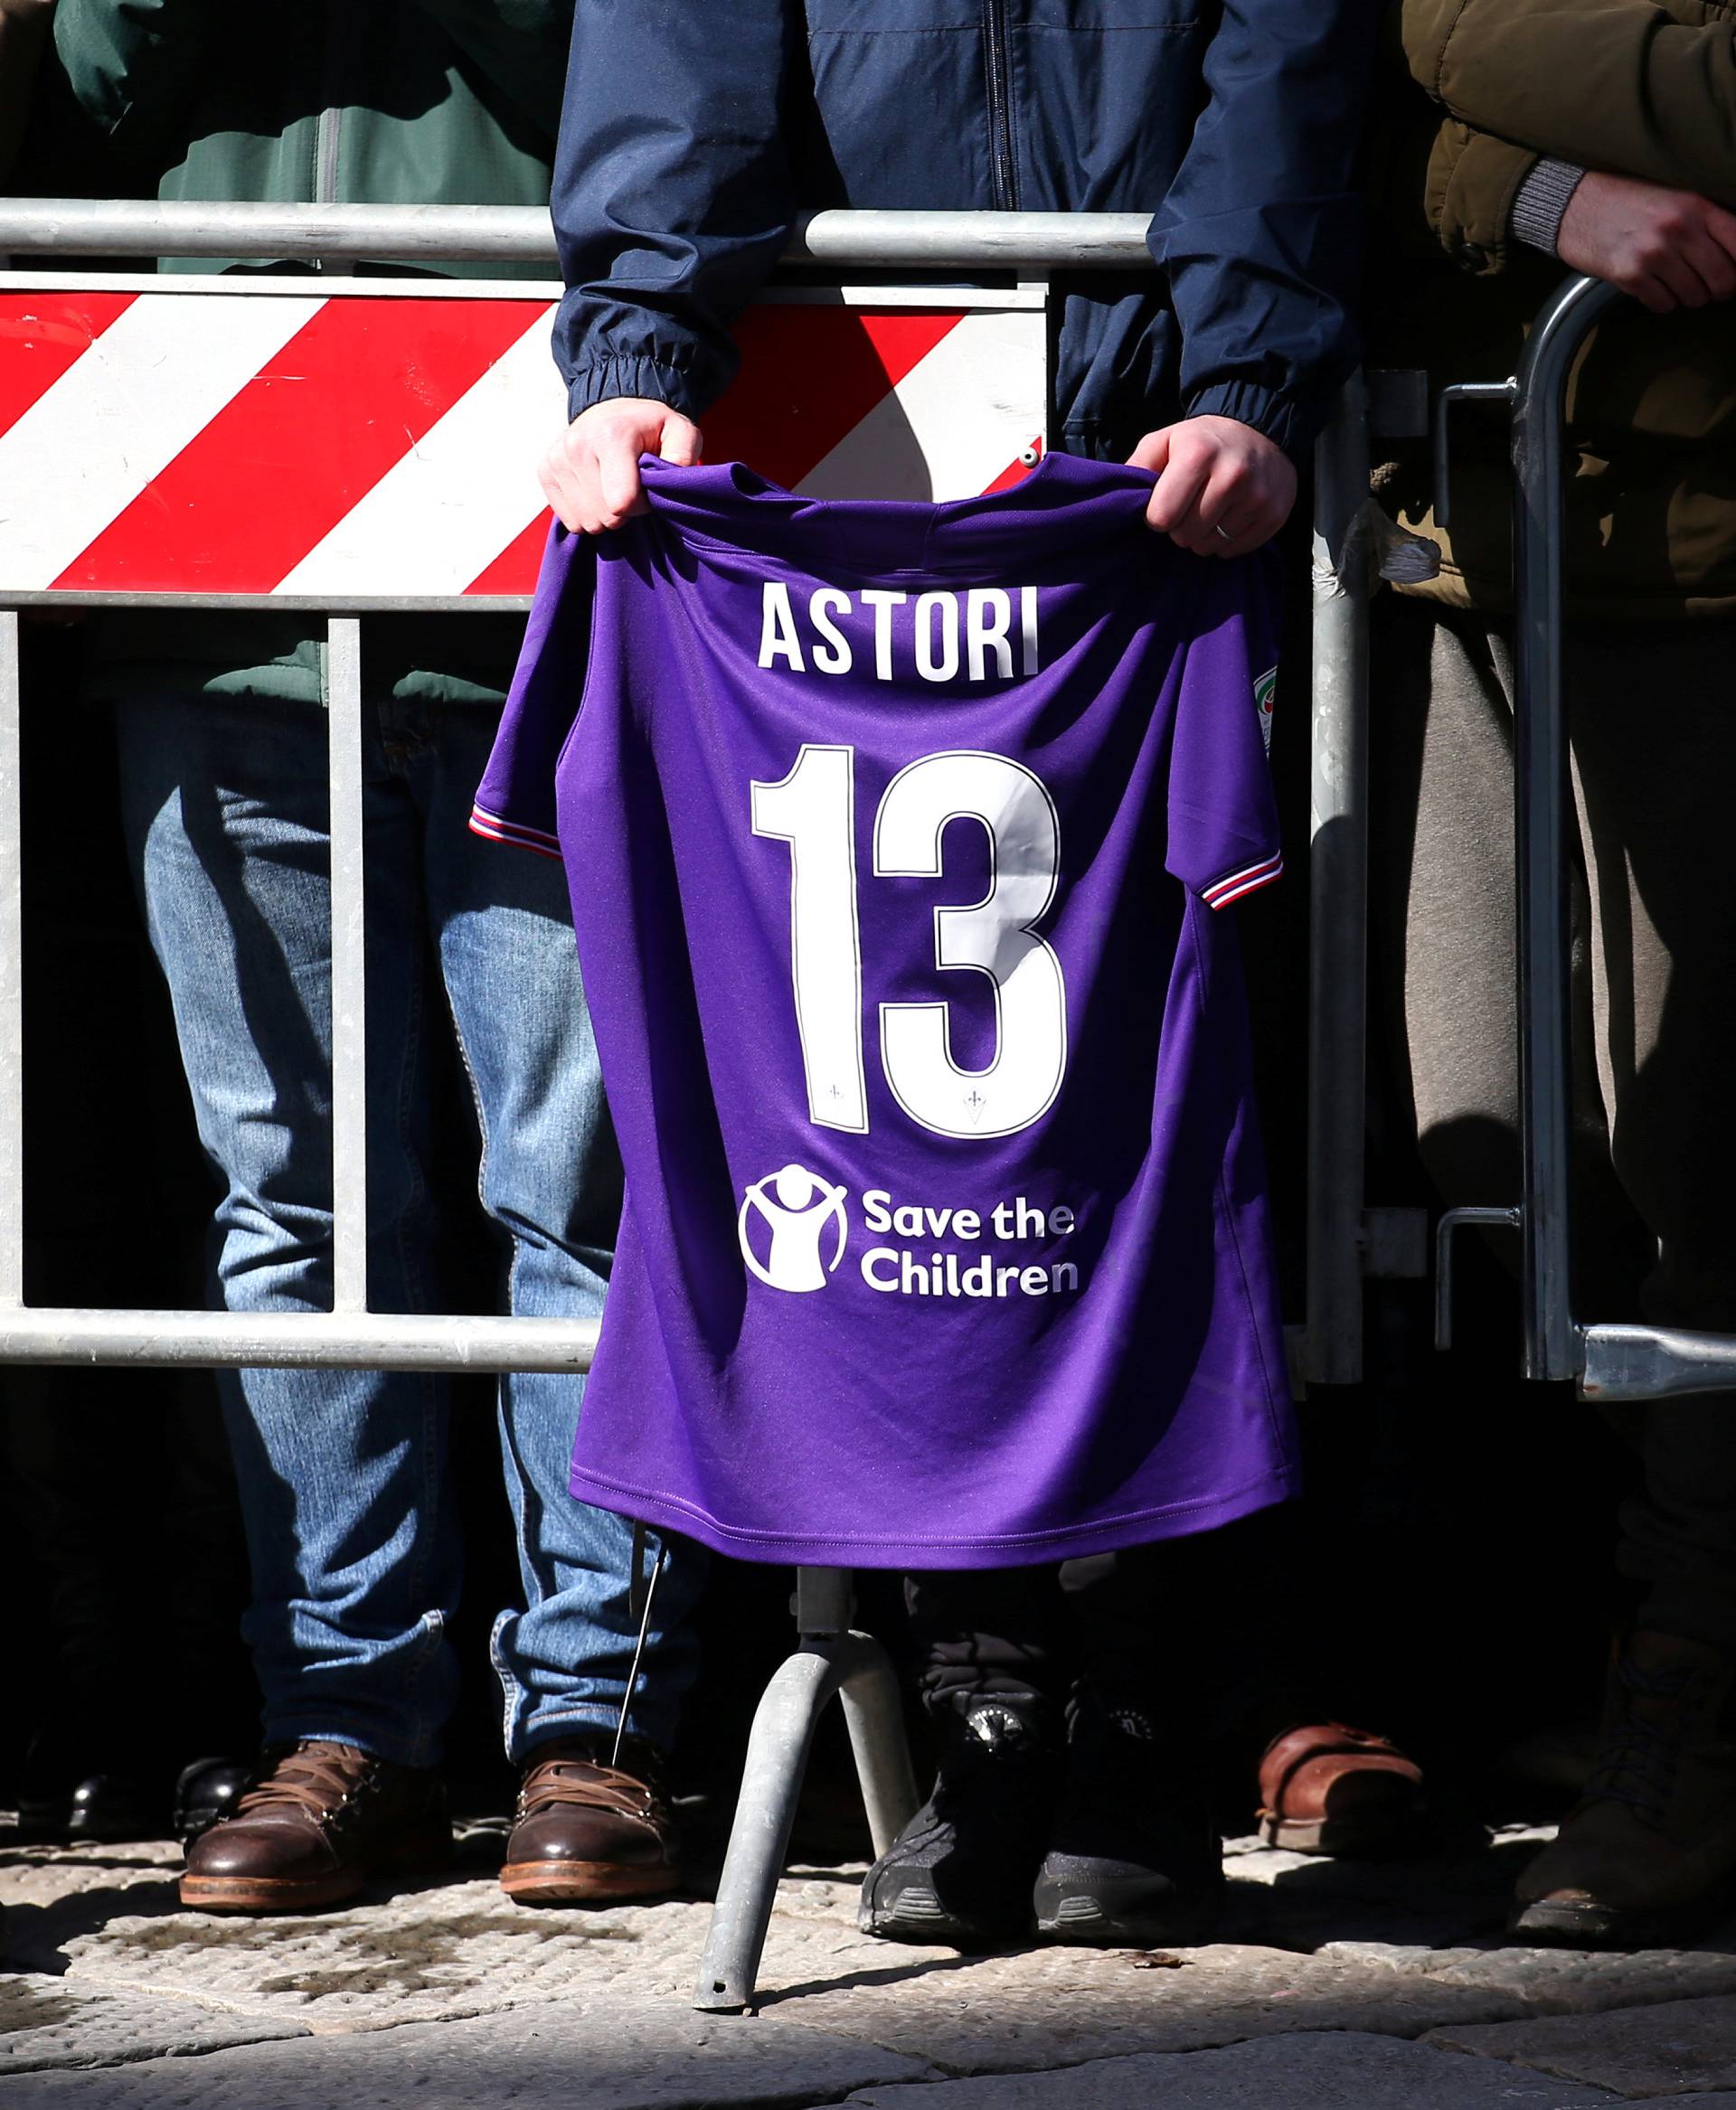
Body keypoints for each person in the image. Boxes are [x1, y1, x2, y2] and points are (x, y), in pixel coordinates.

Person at [542, 0, 1412, 1949]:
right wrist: (639, 355)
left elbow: (1289, 70)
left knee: (1140, 1140)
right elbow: (672, 76)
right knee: (920, 1154)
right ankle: (983, 1713)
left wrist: (1258, 383)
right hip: (873, 539)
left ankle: (1142, 1717)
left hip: (1164, 523)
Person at [50, 0, 705, 1914]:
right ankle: (347, 1718)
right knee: (296, 1203)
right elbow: (102, 65)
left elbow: (651, 72)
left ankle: (600, 1721)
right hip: (210, 586)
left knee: (572, 1181)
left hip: (555, 590)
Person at [1371, 0, 1736, 1945]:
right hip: (1497, 561)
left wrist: (1445, 63)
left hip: (1709, 578)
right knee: (1485, 1135)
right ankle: (1656, 1627)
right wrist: (1524, 185)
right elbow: (1336, 122)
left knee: (1710, 1173)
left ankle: (1688, 1696)